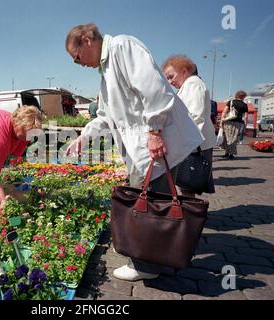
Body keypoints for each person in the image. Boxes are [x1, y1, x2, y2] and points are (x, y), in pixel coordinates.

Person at [65, 23, 204, 281]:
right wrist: (85, 135)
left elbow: (153, 89)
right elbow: (106, 115)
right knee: (152, 198)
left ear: (86, 40)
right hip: (143, 147)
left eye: (76, 57)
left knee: (150, 200)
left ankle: (146, 266)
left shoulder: (122, 46)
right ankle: (156, 254)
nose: (78, 63)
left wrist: (154, 131)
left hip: (155, 143)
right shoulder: (105, 71)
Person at [162, 55, 216, 195]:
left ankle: (190, 214)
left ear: (184, 71)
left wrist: (182, 144)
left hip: (193, 145)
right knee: (187, 185)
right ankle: (189, 214)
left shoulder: (193, 84)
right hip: (193, 143)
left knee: (188, 184)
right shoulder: (190, 85)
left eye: (171, 76)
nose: (170, 81)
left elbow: (195, 117)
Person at [220, 90, 248, 160]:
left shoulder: (230, 102)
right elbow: (245, 117)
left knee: (227, 137)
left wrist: (221, 121)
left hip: (228, 122)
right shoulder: (244, 105)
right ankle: (231, 154)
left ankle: (226, 153)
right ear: (243, 97)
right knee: (233, 138)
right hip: (237, 123)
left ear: (236, 95)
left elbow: (224, 112)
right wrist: (245, 125)